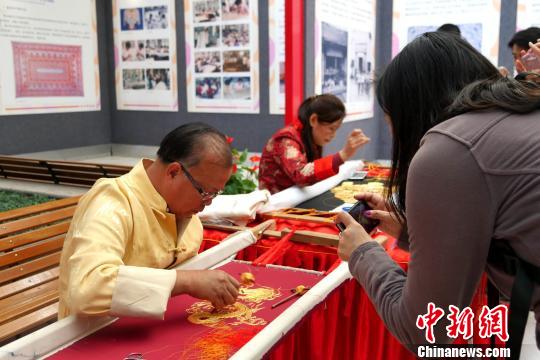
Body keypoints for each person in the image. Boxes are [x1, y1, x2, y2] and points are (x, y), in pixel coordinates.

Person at [336, 32, 540, 358]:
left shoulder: (450, 148)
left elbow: (426, 331)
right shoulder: (519, 113)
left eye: (392, 121)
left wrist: (362, 254)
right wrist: (408, 230)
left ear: (412, 110)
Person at [58, 123, 240, 320]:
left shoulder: (187, 217)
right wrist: (187, 281)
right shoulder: (112, 202)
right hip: (93, 335)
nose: (207, 204)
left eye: (215, 194)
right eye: (205, 193)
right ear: (173, 172)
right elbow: (87, 289)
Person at [258, 94, 370, 194]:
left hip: (295, 199)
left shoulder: (308, 136)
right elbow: (302, 175)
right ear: (313, 120)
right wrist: (343, 154)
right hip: (275, 206)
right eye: (331, 128)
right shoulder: (286, 139)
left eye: (336, 129)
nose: (334, 135)